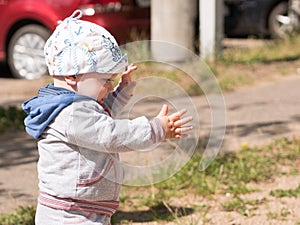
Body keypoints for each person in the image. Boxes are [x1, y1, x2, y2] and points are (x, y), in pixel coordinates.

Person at [22, 10, 193, 225]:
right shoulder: (71, 113)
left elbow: (101, 115)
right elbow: (110, 134)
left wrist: (122, 91)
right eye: (106, 80)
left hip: (81, 208)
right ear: (72, 75)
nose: (109, 86)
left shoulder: (72, 105)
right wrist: (156, 129)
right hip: (70, 215)